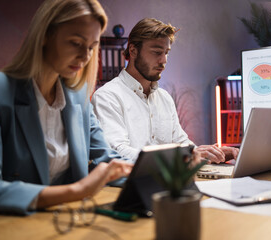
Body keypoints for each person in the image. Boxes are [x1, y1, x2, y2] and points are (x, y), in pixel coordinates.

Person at [0, 0, 132, 216]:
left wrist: (161, 170)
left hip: (64, 225)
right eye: (76, 43)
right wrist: (77, 191)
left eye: (91, 47)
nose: (85, 56)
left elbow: (108, 161)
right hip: (10, 227)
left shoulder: (78, 98)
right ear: (44, 36)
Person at [91, 18, 239, 163]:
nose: (164, 60)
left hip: (171, 183)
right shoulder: (107, 97)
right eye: (157, 52)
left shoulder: (165, 98)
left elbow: (182, 144)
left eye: (166, 52)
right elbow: (117, 152)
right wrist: (185, 155)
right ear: (133, 50)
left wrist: (210, 153)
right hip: (129, 185)